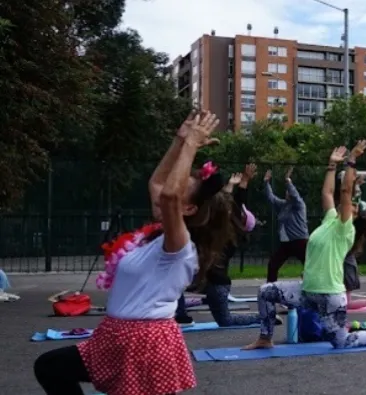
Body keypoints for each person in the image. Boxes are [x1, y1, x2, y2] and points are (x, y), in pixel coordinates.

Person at [33, 111, 230, 395]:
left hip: (144, 341)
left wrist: (192, 147)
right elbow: (158, 185)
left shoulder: (179, 246)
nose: (170, 189)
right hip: (115, 335)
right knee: (50, 367)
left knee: (52, 367)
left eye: (183, 184)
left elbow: (169, 196)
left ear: (188, 209)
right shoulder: (155, 236)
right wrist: (180, 140)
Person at [243, 141, 366, 350]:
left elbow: (346, 190)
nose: (350, 204)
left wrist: (352, 161)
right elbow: (327, 193)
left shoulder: (345, 228)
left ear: (354, 217)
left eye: (354, 207)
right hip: (307, 292)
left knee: (341, 341)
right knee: (266, 291)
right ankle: (265, 338)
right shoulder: (330, 219)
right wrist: (331, 165)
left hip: (330, 297)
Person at [175, 164, 264, 327]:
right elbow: (226, 201)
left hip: (216, 284)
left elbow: (226, 203)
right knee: (174, 278)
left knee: (226, 321)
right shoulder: (216, 223)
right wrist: (239, 183)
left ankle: (262, 318)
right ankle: (181, 314)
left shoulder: (227, 238)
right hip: (201, 281)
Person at [264, 166, 309, 282]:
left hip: (300, 241)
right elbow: (271, 198)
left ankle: (313, 288)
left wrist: (288, 181)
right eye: (286, 191)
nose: (287, 193)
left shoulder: (299, 205)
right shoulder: (284, 205)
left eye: (288, 191)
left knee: (310, 266)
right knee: (273, 264)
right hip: (286, 243)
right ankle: (271, 287)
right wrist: (266, 183)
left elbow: (295, 195)